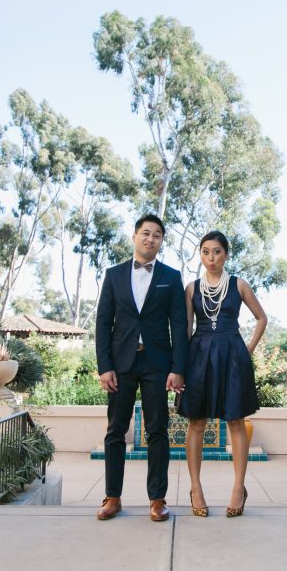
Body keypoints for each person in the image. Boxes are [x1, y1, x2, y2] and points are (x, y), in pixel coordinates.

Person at [94, 214, 187, 522]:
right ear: (134, 236)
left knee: (158, 430)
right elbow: (103, 322)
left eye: (157, 235)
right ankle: (112, 497)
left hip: (157, 363)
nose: (151, 238)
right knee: (115, 431)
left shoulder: (171, 277)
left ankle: (157, 499)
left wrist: (178, 368)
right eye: (146, 233)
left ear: (161, 241)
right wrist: (104, 366)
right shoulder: (114, 274)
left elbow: (179, 324)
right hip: (120, 363)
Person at [176, 230, 267, 517]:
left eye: (216, 251)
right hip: (199, 356)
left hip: (232, 355)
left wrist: (247, 350)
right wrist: (179, 368)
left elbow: (261, 318)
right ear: (200, 255)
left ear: (226, 254)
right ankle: (195, 488)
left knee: (236, 421)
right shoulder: (191, 289)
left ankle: (238, 488)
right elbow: (186, 330)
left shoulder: (239, 285)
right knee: (197, 423)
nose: (211, 257)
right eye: (205, 251)